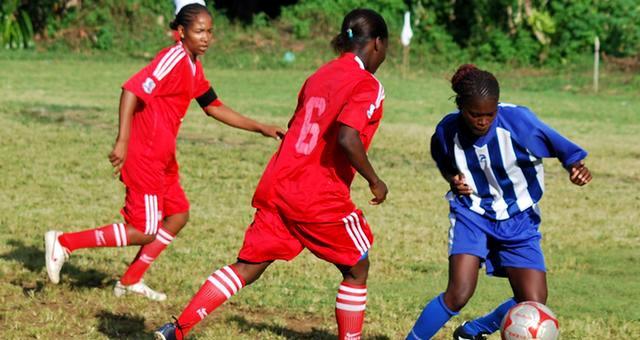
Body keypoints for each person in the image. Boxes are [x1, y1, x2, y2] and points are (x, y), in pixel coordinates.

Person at [154, 8, 389, 340]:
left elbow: (298, 127)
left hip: (280, 182)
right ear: (377, 44)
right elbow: (347, 137)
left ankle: (177, 329)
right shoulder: (368, 84)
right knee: (357, 266)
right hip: (317, 193)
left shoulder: (319, 75)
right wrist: (375, 180)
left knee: (249, 266)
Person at [44, 0, 284, 301]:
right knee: (144, 229)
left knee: (177, 214)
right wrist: (122, 139)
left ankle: (130, 280)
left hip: (163, 156)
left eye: (210, 31)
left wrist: (260, 127)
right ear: (181, 32)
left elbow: (212, 106)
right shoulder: (173, 58)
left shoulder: (193, 64)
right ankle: (64, 242)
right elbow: (131, 89)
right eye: (199, 31)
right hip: (144, 153)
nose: (206, 38)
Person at [406, 64, 592, 340]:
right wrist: (452, 178)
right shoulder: (448, 129)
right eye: (475, 114)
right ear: (461, 107)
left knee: (534, 304)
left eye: (489, 115)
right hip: (472, 213)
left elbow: (561, 147)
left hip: (519, 218)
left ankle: (473, 331)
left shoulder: (519, 121)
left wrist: (575, 167)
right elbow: (443, 158)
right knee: (459, 292)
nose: (483, 121)